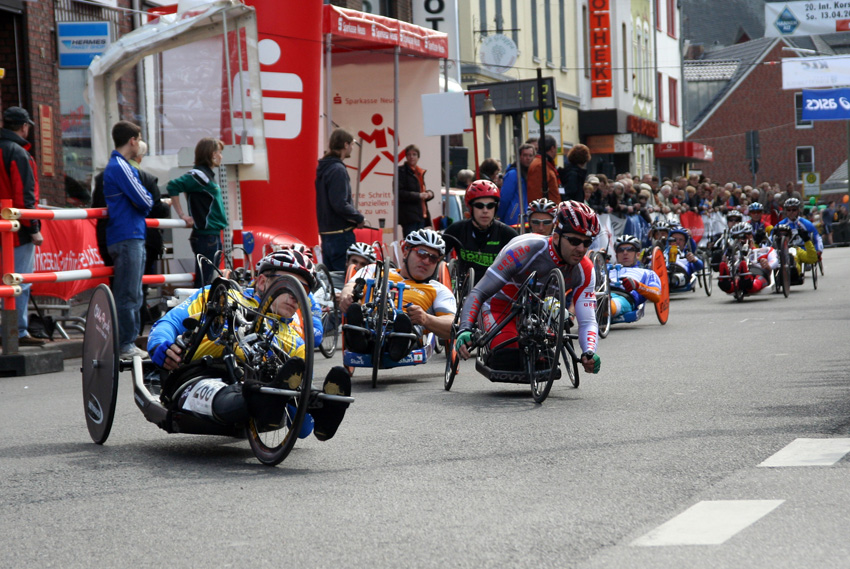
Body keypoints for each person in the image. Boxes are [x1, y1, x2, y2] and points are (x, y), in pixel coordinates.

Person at [147, 250, 351, 441]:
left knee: (294, 391)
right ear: (262, 282)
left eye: (303, 290)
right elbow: (169, 322)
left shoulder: (295, 341)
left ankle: (327, 410)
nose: (295, 296)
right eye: (288, 285)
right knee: (229, 392)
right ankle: (261, 398)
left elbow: (301, 430)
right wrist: (160, 346)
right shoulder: (221, 295)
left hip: (257, 388)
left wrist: (307, 405)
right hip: (197, 376)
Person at [454, 201, 601, 375]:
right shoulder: (524, 250)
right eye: (575, 241)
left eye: (587, 243)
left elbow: (587, 321)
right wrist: (464, 328)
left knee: (544, 364)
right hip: (501, 306)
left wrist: (589, 352)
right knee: (507, 358)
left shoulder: (585, 269)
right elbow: (479, 292)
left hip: (539, 314)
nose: (581, 249)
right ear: (556, 237)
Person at [340, 228, 455, 362]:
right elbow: (351, 285)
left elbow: (452, 324)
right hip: (368, 325)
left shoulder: (438, 289)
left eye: (433, 258)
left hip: (407, 333)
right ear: (406, 252)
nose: (426, 261)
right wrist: (346, 295)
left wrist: (425, 319)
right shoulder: (374, 270)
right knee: (355, 310)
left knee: (403, 321)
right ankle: (359, 339)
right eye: (421, 253)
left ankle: (397, 342)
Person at [104, 121, 153, 359]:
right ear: (133, 140)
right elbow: (145, 200)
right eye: (139, 138)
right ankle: (125, 344)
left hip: (128, 234)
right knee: (129, 293)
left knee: (132, 292)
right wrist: (144, 202)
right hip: (127, 235)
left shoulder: (117, 165)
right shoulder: (120, 166)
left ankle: (127, 342)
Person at [0, 106, 44, 346]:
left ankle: (9, 331)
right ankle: (17, 331)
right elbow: (24, 195)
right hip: (16, 231)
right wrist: (34, 227)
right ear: (24, 126)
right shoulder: (17, 153)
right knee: (18, 281)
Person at [167, 137, 228, 288]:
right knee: (204, 284)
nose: (221, 156)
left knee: (207, 282)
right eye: (219, 152)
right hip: (207, 236)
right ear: (212, 154)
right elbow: (173, 186)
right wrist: (182, 214)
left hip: (210, 235)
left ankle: (201, 310)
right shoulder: (199, 175)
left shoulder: (204, 175)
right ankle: (200, 311)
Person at [443, 180, 518, 286]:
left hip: (495, 292)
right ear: (470, 208)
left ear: (495, 208)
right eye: (479, 206)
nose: (485, 210)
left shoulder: (507, 234)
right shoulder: (456, 230)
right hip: (464, 290)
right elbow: (436, 258)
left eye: (490, 206)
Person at [315, 128, 365, 272]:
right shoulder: (338, 169)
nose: (352, 148)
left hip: (326, 235)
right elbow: (340, 203)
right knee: (346, 279)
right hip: (341, 236)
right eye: (352, 144)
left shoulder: (324, 168)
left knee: (331, 282)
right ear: (345, 145)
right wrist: (359, 217)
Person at [607, 235, 662, 323]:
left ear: (637, 255)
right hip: (601, 292)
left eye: (629, 249)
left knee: (608, 305)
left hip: (623, 297)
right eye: (620, 250)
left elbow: (657, 295)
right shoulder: (607, 269)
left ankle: (603, 308)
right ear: (616, 255)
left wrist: (637, 286)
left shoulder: (647, 273)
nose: (625, 252)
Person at [718, 222, 779, 296]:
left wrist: (768, 265)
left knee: (755, 281)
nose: (741, 241)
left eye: (743, 237)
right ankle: (724, 280)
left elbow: (775, 261)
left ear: (750, 236)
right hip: (737, 276)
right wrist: (726, 262)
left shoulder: (765, 250)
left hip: (758, 273)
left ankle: (746, 278)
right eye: (737, 238)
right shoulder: (732, 254)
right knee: (733, 282)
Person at [774, 197, 819, 277]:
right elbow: (772, 240)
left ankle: (794, 270)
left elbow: (817, 239)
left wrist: (818, 249)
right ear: (785, 211)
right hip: (784, 250)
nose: (791, 212)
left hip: (801, 250)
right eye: (788, 210)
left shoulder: (807, 224)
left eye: (794, 210)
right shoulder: (779, 225)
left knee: (797, 257)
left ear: (798, 210)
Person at [398, 143, 434, 237]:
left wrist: (429, 194)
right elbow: (399, 193)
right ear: (406, 157)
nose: (411, 157)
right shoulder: (401, 171)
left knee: (421, 247)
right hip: (409, 217)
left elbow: (422, 191)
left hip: (421, 215)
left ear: (418, 157)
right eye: (409, 155)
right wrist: (418, 195)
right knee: (411, 246)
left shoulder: (419, 172)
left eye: (414, 154)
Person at [497, 143, 535, 226]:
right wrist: (499, 215)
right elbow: (505, 198)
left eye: (530, 155)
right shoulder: (513, 174)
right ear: (519, 156)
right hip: (514, 219)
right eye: (525, 155)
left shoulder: (531, 174)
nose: (528, 158)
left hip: (526, 218)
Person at [526, 135, 560, 204]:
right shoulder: (540, 165)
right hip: (546, 211)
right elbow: (535, 194)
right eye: (556, 148)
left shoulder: (544, 163)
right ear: (552, 148)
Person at [666, 226, 703, 290]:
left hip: (680, 273)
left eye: (681, 240)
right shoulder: (664, 252)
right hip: (665, 270)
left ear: (685, 242)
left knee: (674, 278)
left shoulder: (687, 254)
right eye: (675, 239)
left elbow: (700, 266)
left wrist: (694, 260)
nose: (677, 242)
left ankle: (670, 281)